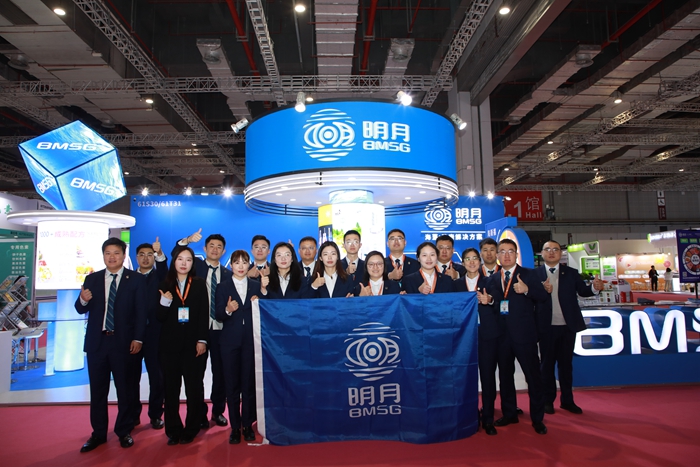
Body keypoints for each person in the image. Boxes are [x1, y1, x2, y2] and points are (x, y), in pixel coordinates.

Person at [75, 238, 147, 452]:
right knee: (98, 391)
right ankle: (98, 433)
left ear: (124, 255)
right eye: (108, 253)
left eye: (116, 253)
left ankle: (124, 431)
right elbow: (80, 308)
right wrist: (83, 299)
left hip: (123, 343)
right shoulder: (92, 279)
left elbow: (141, 312)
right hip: (97, 344)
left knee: (125, 390)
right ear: (103, 255)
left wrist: (138, 338)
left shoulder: (135, 279)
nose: (112, 257)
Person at [483, 239, 549, 435]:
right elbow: (495, 304)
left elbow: (543, 296)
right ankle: (510, 413)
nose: (506, 255)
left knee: (533, 377)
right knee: (505, 377)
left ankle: (537, 418)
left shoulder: (529, 274)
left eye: (510, 251)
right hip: (502, 336)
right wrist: (490, 300)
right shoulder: (492, 279)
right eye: (502, 252)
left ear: (516, 254)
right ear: (497, 256)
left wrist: (527, 290)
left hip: (524, 335)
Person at [537, 240, 603, 416]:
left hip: (567, 327)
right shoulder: (534, 274)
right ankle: (547, 400)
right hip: (546, 327)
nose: (551, 252)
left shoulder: (571, 273)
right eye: (547, 249)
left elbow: (583, 291)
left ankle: (567, 400)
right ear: (542, 253)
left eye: (555, 249)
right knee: (546, 366)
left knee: (566, 366)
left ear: (560, 253)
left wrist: (594, 288)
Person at [176, 229, 232, 429]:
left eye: (219, 247)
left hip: (221, 329)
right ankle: (199, 413)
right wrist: (186, 240)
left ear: (224, 251)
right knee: (195, 374)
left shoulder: (229, 274)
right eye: (211, 246)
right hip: (197, 329)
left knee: (220, 373)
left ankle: (218, 411)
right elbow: (177, 254)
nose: (215, 249)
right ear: (204, 248)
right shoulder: (195, 267)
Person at [157, 246, 209, 445]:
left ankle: (191, 428)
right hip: (169, 347)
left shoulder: (199, 284)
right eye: (180, 259)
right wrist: (164, 302)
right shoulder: (165, 283)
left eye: (188, 259)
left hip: (193, 346)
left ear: (192, 263)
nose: (184, 263)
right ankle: (173, 430)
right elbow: (159, 317)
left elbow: (203, 313)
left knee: (193, 389)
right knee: (171, 390)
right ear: (174, 261)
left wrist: (202, 340)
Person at [215, 250, 264, 444]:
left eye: (244, 262)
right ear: (231, 265)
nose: (241, 266)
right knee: (232, 386)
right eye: (237, 262)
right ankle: (235, 427)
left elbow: (265, 311)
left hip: (250, 342)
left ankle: (247, 425)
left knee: (248, 385)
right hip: (229, 343)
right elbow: (219, 314)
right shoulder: (223, 286)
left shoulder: (256, 286)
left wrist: (259, 302)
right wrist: (228, 310)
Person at [454, 248, 500, 435]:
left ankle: (488, 418)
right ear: (463, 263)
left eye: (475, 258)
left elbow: (500, 303)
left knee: (488, 377)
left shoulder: (491, 281)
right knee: (464, 378)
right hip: (464, 338)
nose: (472, 262)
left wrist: (490, 300)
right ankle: (468, 415)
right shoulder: (456, 284)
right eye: (468, 259)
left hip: (486, 335)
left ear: (479, 261)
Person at [133, 238, 168, 430]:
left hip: (156, 336)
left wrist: (160, 253)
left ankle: (155, 414)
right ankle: (132, 414)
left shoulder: (160, 276)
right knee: (131, 378)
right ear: (136, 257)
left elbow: (163, 267)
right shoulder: (129, 278)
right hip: (132, 336)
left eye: (150, 255)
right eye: (142, 255)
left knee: (158, 378)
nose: (146, 258)